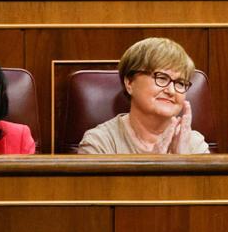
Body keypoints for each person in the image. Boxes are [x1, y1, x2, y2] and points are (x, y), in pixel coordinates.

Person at [77, 38, 208, 154]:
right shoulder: (99, 143)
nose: (172, 91)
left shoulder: (194, 144)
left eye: (180, 83)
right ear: (129, 82)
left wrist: (185, 163)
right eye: (161, 78)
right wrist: (153, 167)